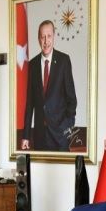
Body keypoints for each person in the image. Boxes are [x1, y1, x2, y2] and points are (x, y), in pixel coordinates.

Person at [21, 20, 77, 151]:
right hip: (40, 135)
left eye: (49, 36)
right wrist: (26, 136)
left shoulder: (64, 61)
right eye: (43, 37)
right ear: (38, 39)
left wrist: (67, 128)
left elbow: (72, 99)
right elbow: (29, 104)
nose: (46, 41)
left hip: (60, 136)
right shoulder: (32, 65)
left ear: (54, 37)